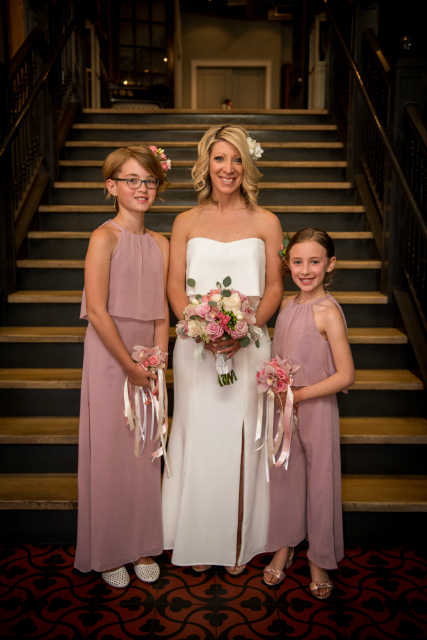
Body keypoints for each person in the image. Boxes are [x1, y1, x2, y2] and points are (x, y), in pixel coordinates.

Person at [163, 125, 284, 574]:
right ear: (206, 164)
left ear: (247, 165)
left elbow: (275, 287)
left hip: (249, 345)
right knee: (199, 436)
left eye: (236, 160)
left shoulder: (267, 222)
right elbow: (175, 285)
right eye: (219, 159)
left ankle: (239, 539)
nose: (228, 169)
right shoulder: (186, 222)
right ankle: (196, 537)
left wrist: (245, 327)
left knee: (244, 437)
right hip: (196, 348)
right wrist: (200, 329)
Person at [74, 145, 170, 588]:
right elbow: (96, 310)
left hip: (146, 359)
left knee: (145, 453)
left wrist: (158, 363)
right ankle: (110, 548)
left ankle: (142, 543)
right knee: (113, 452)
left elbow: (162, 315)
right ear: (111, 186)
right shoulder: (103, 237)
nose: (142, 188)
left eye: (149, 180)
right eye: (132, 180)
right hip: (111, 356)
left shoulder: (161, 243)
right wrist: (129, 367)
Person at [263, 228, 355, 598]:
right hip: (283, 409)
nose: (305, 270)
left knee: (319, 482)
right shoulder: (286, 305)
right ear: (287, 263)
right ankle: (285, 546)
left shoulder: (328, 312)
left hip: (314, 408)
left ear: (329, 265)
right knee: (285, 475)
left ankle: (318, 558)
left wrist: (299, 395)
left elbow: (346, 375)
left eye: (314, 262)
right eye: (297, 261)